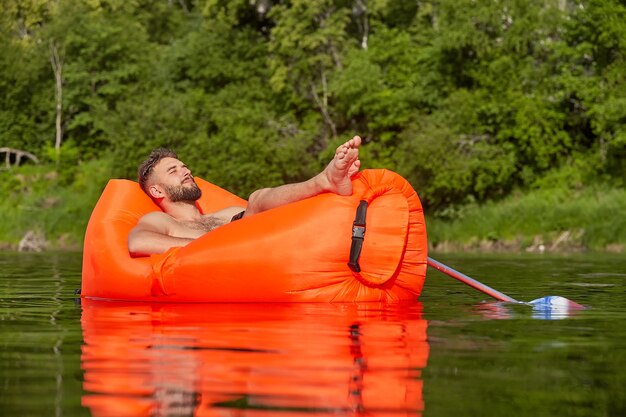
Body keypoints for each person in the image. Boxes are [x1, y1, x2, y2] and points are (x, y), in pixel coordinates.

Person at [128, 135, 362, 257]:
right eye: (173, 170)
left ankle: (329, 186)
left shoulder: (227, 214)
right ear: (157, 191)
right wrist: (212, 245)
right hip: (226, 258)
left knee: (258, 203)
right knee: (256, 201)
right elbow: (138, 243)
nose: (186, 171)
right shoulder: (162, 221)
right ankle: (325, 181)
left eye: (184, 166)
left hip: (258, 244)